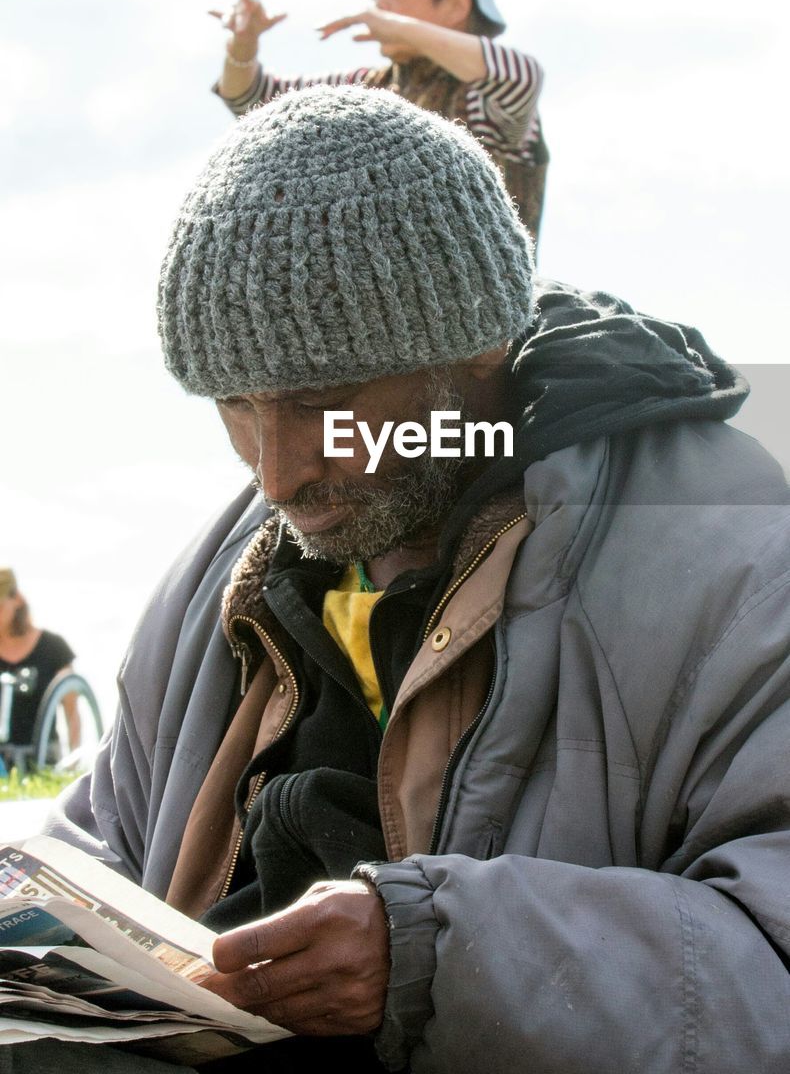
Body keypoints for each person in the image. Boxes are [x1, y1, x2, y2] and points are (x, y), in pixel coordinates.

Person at [44, 85, 790, 1074]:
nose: (277, 473)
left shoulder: (732, 550)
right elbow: (92, 852)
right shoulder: (218, 572)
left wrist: (443, 957)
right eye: (234, 403)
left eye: (324, 401)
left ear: (475, 345)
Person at [210, 0, 549, 242]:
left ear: (456, 6)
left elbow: (521, 76)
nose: (380, 4)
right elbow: (254, 102)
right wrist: (242, 46)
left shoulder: (483, 98)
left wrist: (397, 26)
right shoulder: (366, 88)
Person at [0, 568, 79, 759]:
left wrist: (74, 761)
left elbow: (72, 713)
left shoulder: (53, 648)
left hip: (44, 758)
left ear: (16, 600)